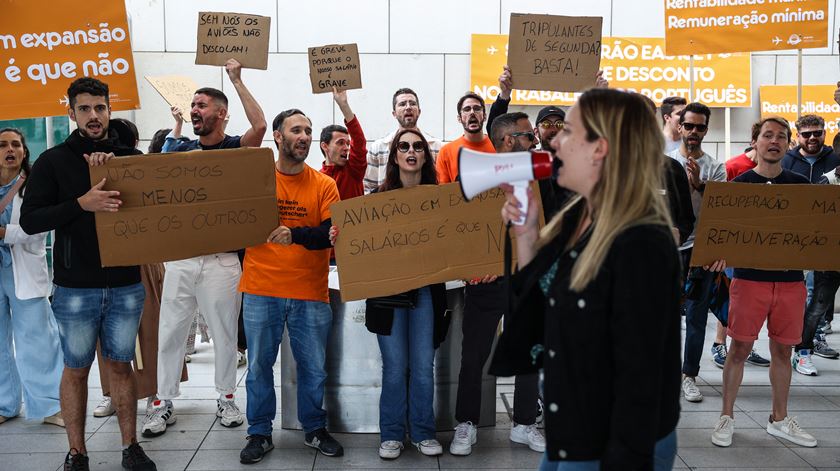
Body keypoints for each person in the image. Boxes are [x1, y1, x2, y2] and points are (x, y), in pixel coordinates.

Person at [492, 88, 681, 470]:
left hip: (613, 439)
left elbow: (640, 376)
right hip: (574, 423)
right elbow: (537, 309)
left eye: (569, 131)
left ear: (600, 148)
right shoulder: (577, 218)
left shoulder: (642, 242)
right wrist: (526, 233)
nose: (556, 141)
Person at [20, 77, 155, 470]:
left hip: (127, 283)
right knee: (76, 369)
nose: (93, 116)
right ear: (71, 113)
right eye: (84, 109)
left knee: (120, 365)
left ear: (109, 109)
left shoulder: (131, 156)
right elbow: (30, 221)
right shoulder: (53, 161)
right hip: (75, 287)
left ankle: (131, 447)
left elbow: (155, 212)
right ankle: (77, 453)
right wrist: (82, 202)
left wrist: (117, 170)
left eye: (99, 108)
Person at [144, 58, 266, 438]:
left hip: (222, 260)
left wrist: (236, 79)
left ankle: (226, 396)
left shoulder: (234, 148)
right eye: (193, 105)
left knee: (226, 333)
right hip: (181, 258)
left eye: (201, 105)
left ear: (221, 113)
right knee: (170, 334)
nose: (194, 110)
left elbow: (260, 126)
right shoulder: (179, 150)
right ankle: (162, 402)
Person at [335, 129, 448, 459]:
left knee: (423, 365)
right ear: (395, 155)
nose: (411, 151)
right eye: (404, 146)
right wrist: (340, 236)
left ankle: (424, 432)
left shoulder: (442, 200)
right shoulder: (377, 201)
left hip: (427, 291)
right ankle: (393, 435)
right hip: (389, 295)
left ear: (425, 156)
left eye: (417, 146)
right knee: (395, 367)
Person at [238, 108, 343, 464]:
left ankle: (314, 428)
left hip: (309, 292)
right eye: (296, 130)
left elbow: (328, 235)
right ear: (278, 137)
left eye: (309, 131)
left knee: (313, 368)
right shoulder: (256, 179)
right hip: (260, 288)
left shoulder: (324, 185)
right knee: (257, 368)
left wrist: (293, 233)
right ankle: (259, 432)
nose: (304, 137)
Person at [710, 117, 817, 449]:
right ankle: (726, 416)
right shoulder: (737, 188)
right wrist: (719, 255)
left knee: (783, 351)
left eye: (781, 137)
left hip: (790, 283)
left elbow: (813, 236)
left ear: (787, 144)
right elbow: (721, 237)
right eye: (767, 135)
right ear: (754, 142)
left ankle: (779, 419)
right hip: (749, 281)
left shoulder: (802, 188)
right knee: (739, 348)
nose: (774, 141)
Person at [449, 110, 545, 456]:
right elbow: (461, 230)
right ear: (508, 140)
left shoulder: (537, 174)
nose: (534, 140)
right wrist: (474, 266)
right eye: (527, 136)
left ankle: (524, 424)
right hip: (486, 282)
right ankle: (466, 423)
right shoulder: (477, 174)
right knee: (473, 355)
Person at [0, 128, 64, 428]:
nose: (9, 149)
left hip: (24, 271)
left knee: (38, 340)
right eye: (2, 145)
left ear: (25, 152)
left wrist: (4, 233)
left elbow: (39, 227)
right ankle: (5, 404)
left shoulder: (34, 186)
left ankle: (50, 405)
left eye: (15, 144)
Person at [363, 88, 441, 193]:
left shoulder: (437, 147)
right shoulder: (378, 147)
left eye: (412, 103)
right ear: (394, 113)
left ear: (419, 111)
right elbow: (368, 188)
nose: (408, 107)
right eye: (402, 104)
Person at [435, 92, 495, 183]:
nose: (472, 112)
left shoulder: (497, 146)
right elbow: (443, 193)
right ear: (459, 118)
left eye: (477, 109)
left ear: (485, 116)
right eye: (467, 109)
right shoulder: (446, 152)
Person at [320, 88, 367, 200]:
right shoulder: (316, 178)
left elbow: (359, 140)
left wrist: (344, 105)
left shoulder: (353, 170)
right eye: (340, 143)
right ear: (325, 146)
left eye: (347, 143)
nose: (346, 148)